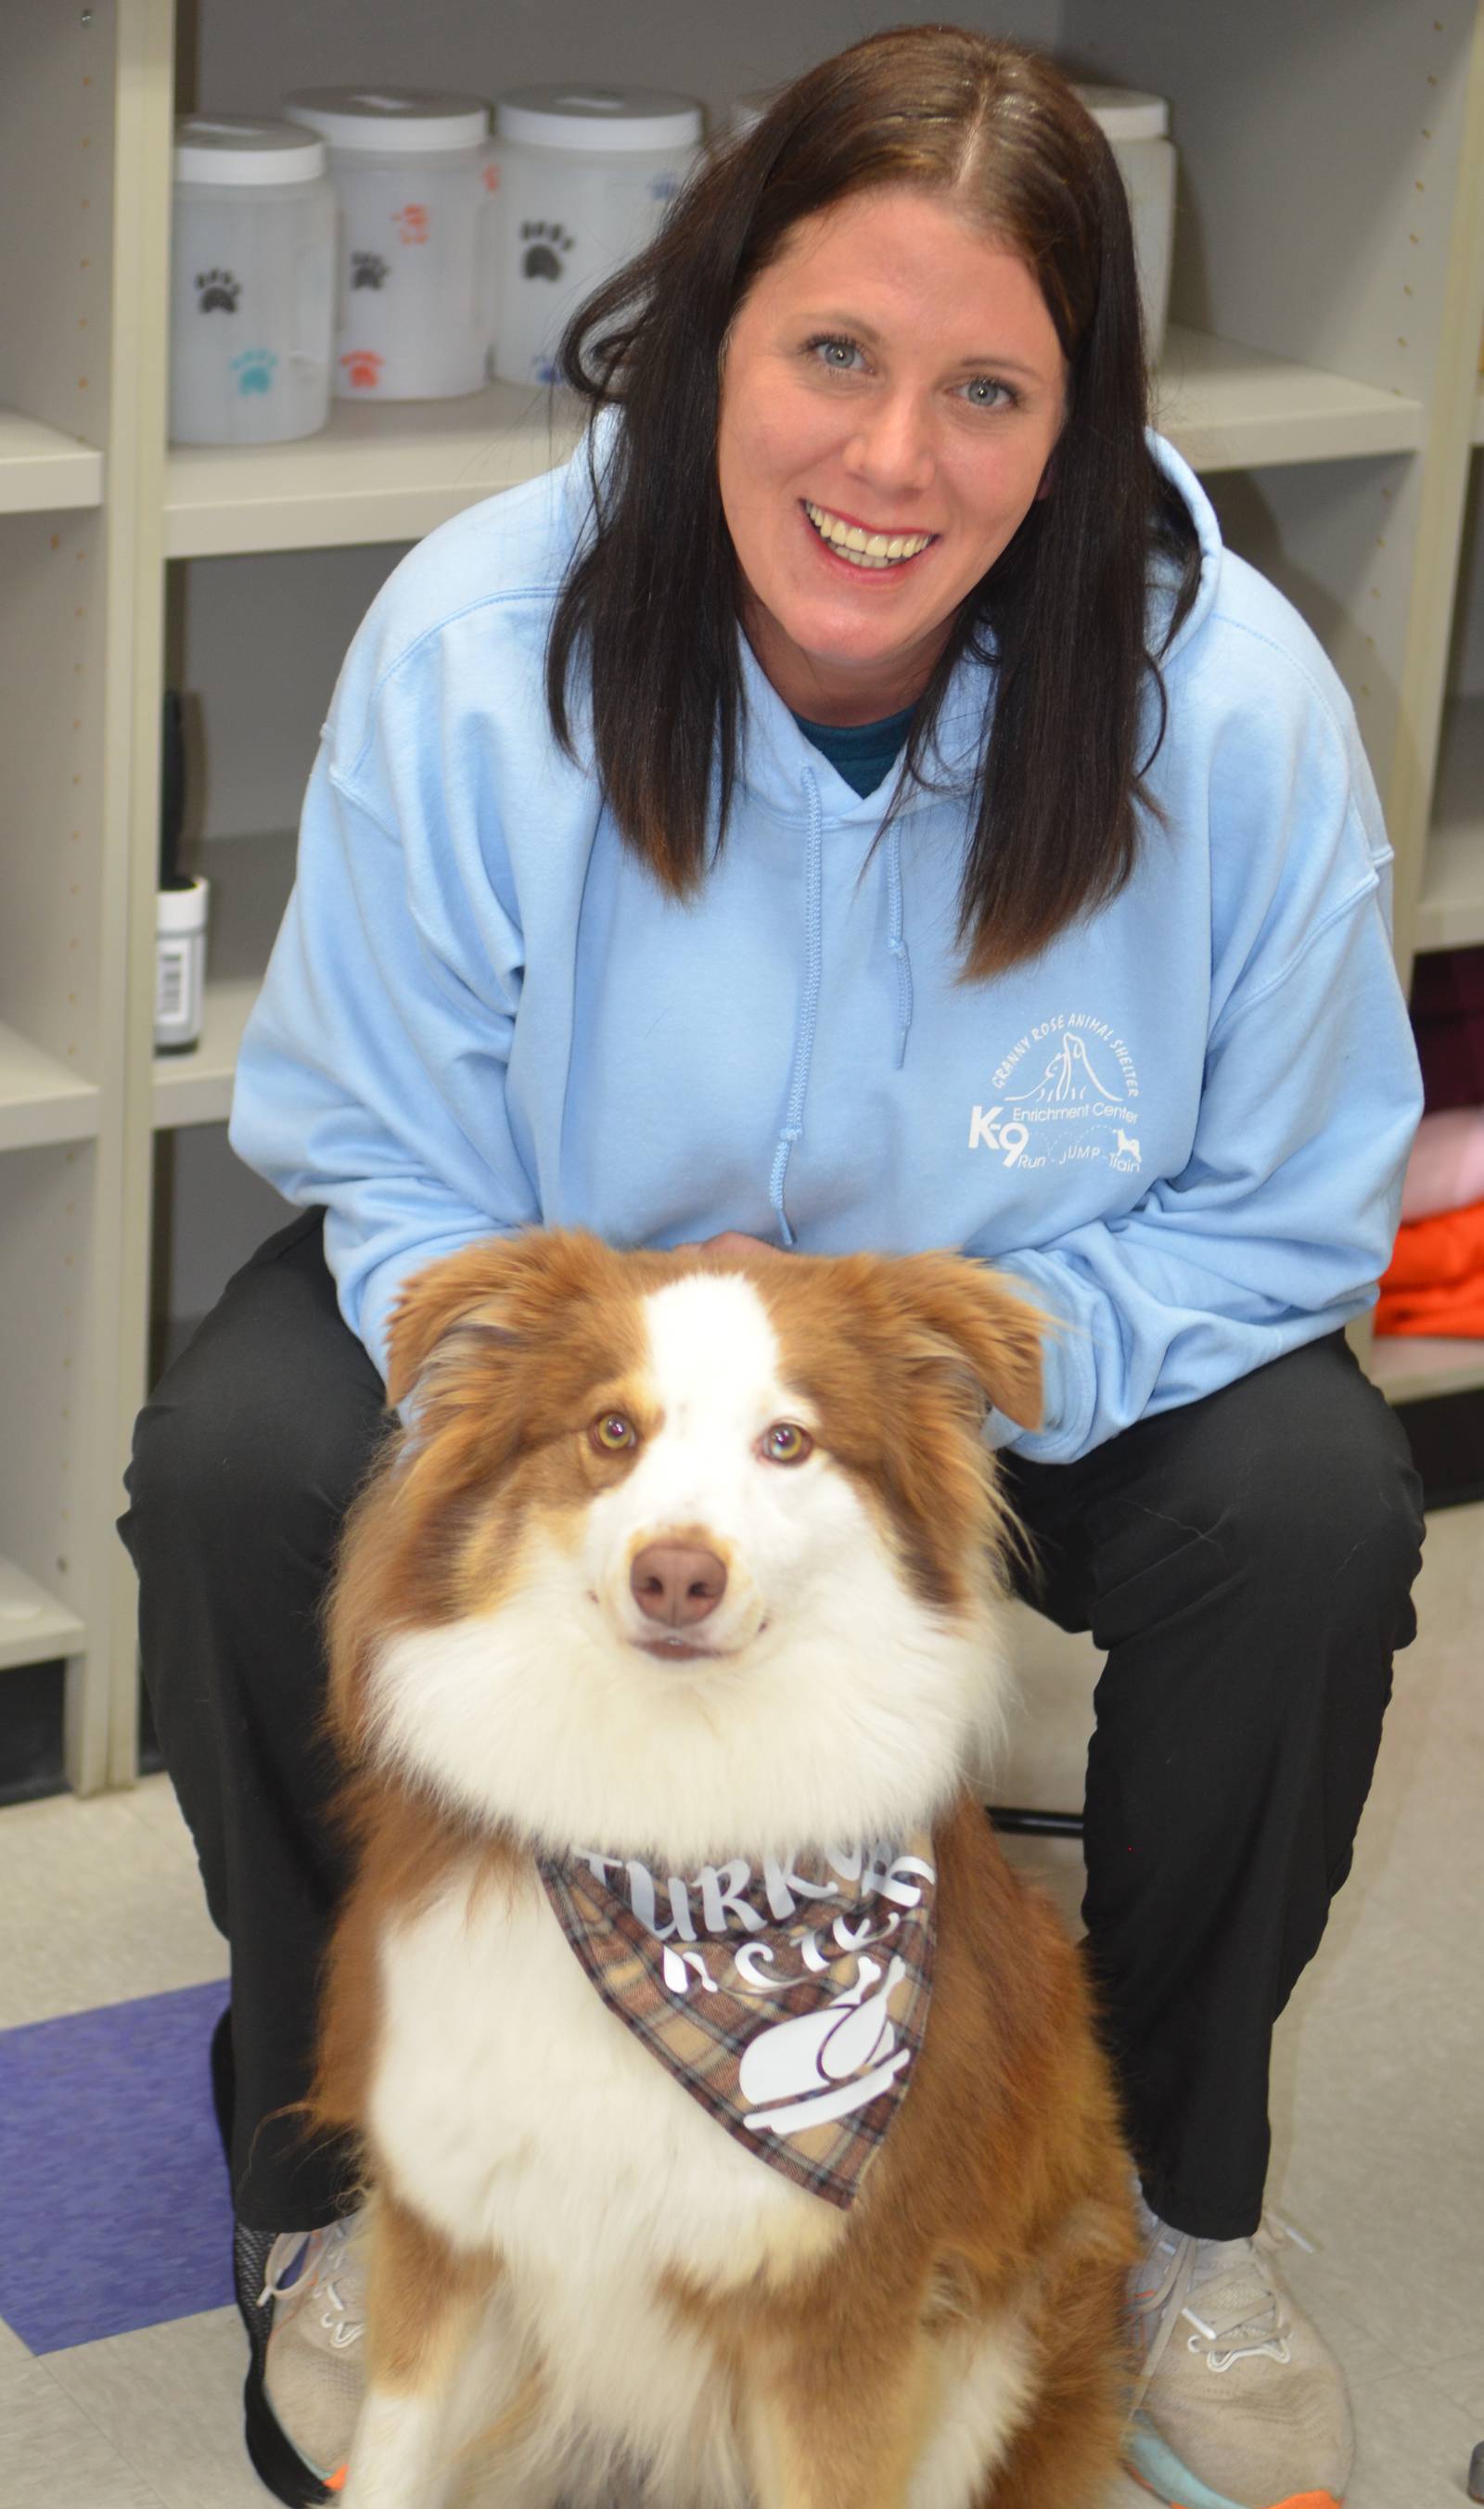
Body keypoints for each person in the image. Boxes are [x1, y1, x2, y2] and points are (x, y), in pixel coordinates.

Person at [120, 27, 1426, 2509]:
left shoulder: (1226, 700)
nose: (890, 462)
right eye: (834, 351)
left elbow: (1296, 1200)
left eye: (987, 389)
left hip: (1006, 1356)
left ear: (1077, 420)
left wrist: (928, 1376)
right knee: (241, 1456)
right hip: (585, 1338)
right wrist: (581, 1339)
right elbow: (375, 1136)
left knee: (1318, 1508)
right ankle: (335, 2194)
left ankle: (1176, 2210)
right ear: (714, 324)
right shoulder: (477, 639)